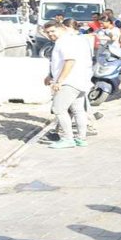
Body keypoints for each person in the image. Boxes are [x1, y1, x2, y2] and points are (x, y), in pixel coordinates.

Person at [41, 20, 91, 149]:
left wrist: (60, 81)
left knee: (59, 109)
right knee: (78, 110)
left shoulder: (64, 41)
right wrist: (51, 75)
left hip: (69, 82)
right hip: (80, 80)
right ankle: (81, 138)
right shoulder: (74, 39)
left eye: (53, 31)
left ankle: (68, 139)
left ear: (61, 28)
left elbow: (69, 61)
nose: (50, 34)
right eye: (47, 32)